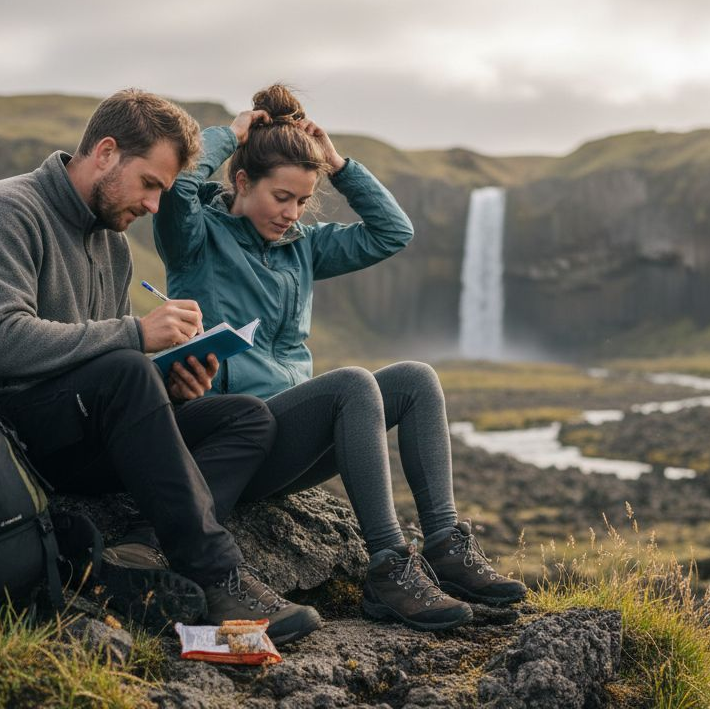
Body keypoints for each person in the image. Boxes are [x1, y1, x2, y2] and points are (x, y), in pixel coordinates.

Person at [0, 88, 321, 645]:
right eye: (151, 185)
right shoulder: (4, 211)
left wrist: (172, 383)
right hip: (0, 435)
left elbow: (99, 367)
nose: (156, 206)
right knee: (128, 369)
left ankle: (142, 549)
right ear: (106, 153)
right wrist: (138, 335)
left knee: (246, 416)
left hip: (78, 432)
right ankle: (217, 574)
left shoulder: (113, 245)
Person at [154, 85, 526, 632]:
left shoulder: (303, 246)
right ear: (240, 180)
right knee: (353, 383)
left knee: (416, 380)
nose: (292, 212)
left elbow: (393, 232)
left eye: (303, 201)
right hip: (232, 437)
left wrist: (339, 164)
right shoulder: (196, 237)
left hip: (292, 434)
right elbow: (177, 189)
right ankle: (388, 569)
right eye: (282, 196)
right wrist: (225, 135)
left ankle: (445, 546)